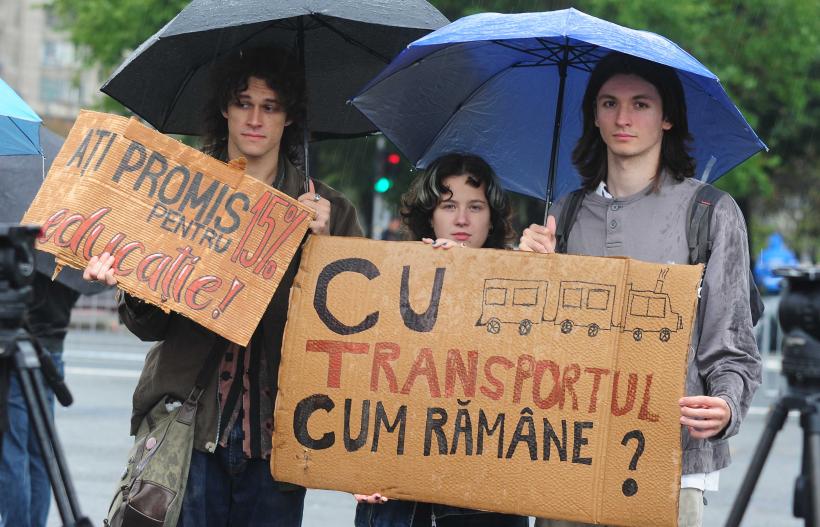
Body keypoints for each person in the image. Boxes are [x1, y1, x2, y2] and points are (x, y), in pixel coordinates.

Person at [84, 47, 363, 526]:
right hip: (190, 435)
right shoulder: (181, 191)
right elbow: (147, 326)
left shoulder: (328, 211)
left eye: (270, 106)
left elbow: (351, 331)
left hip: (276, 440)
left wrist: (324, 247)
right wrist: (131, 281)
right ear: (224, 108)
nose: (255, 118)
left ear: (288, 117)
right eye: (243, 102)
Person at [519, 52, 762, 527]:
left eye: (641, 104)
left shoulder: (710, 212)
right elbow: (532, 345)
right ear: (594, 114)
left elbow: (733, 345)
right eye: (609, 103)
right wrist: (531, 272)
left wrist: (727, 406)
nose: (623, 118)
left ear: (668, 117)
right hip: (567, 456)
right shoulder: (563, 215)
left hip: (669, 466)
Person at [354, 153, 527, 527]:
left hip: (484, 501)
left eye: (475, 207)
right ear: (429, 215)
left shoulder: (521, 287)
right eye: (449, 206)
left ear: (492, 217)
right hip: (396, 497)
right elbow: (361, 377)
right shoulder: (389, 281)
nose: (462, 219)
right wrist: (355, 467)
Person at [0, 272, 80, 527]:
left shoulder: (25, 254)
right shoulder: (66, 247)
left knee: (12, 449)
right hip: (52, 350)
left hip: (20, 347)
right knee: (41, 451)